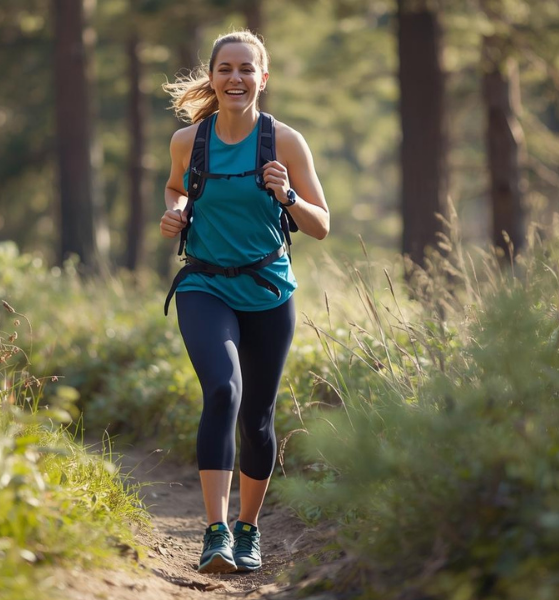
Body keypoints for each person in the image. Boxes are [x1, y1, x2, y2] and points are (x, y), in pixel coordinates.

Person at [160, 29, 329, 574]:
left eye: (246, 69)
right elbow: (175, 185)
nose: (236, 78)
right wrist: (178, 207)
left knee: (257, 417)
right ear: (212, 76)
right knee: (222, 389)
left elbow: (321, 225)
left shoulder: (285, 142)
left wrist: (288, 194)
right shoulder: (190, 141)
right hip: (204, 285)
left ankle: (248, 531)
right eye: (225, 69)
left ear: (263, 77)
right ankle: (214, 532)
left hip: (267, 291)